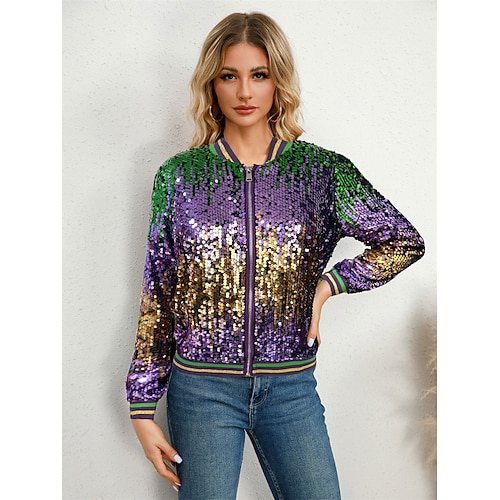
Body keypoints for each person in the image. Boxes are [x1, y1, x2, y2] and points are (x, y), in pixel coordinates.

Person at [126, 11, 425, 500]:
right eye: (229, 76)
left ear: (277, 81)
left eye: (259, 75)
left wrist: (329, 285)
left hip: (290, 390)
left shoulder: (321, 173)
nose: (244, 91)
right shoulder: (179, 178)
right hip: (201, 392)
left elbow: (403, 241)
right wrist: (142, 407)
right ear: (212, 84)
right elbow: (158, 293)